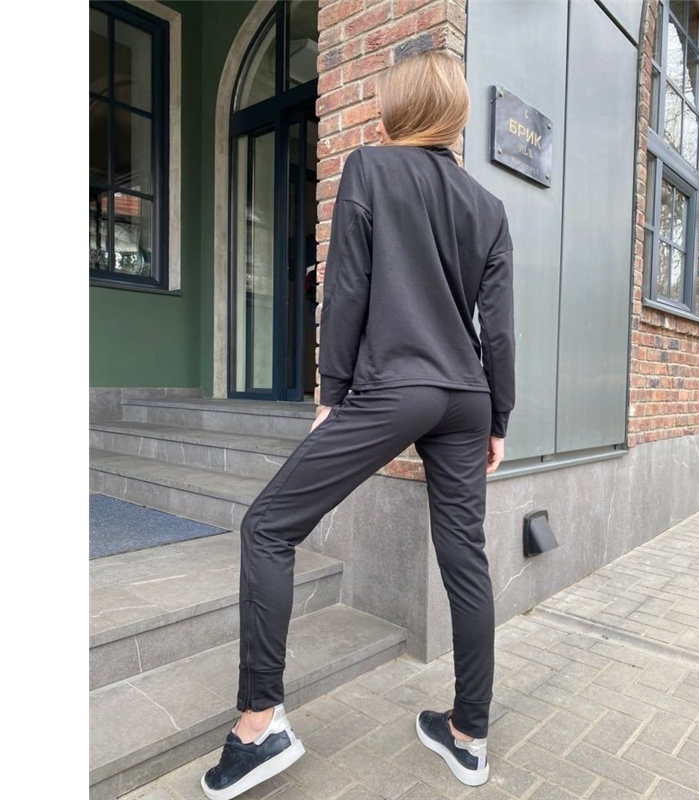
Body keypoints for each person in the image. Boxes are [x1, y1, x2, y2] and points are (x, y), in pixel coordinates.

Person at [201, 48, 515, 800]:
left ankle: (259, 726)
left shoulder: (370, 168)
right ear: (456, 113)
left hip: (396, 387)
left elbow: (345, 289)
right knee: (465, 559)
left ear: (396, 106)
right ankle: (468, 736)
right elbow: (499, 329)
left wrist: (332, 392)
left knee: (267, 527)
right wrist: (499, 416)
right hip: (466, 396)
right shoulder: (489, 207)